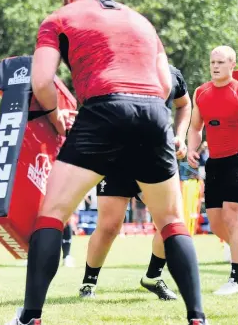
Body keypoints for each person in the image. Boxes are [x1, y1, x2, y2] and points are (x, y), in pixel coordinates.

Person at [7, 0, 206, 324]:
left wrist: (56, 116)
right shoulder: (141, 21)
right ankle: (196, 317)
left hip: (103, 108)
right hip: (152, 113)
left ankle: (30, 317)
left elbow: (41, 81)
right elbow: (164, 86)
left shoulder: (59, 18)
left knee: (52, 215)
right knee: (172, 222)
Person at [78, 64, 191, 301]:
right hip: (116, 159)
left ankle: (153, 276)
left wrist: (180, 136)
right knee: (109, 226)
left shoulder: (171, 73)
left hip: (155, 159)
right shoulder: (113, 69)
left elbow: (184, 104)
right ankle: (88, 283)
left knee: (172, 223)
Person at [187, 45, 238, 296]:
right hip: (215, 161)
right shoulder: (201, 92)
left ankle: (236, 280)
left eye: (220, 62)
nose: (215, 66)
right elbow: (195, 127)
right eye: (212, 62)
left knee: (233, 215)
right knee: (217, 224)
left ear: (232, 65)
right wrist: (192, 148)